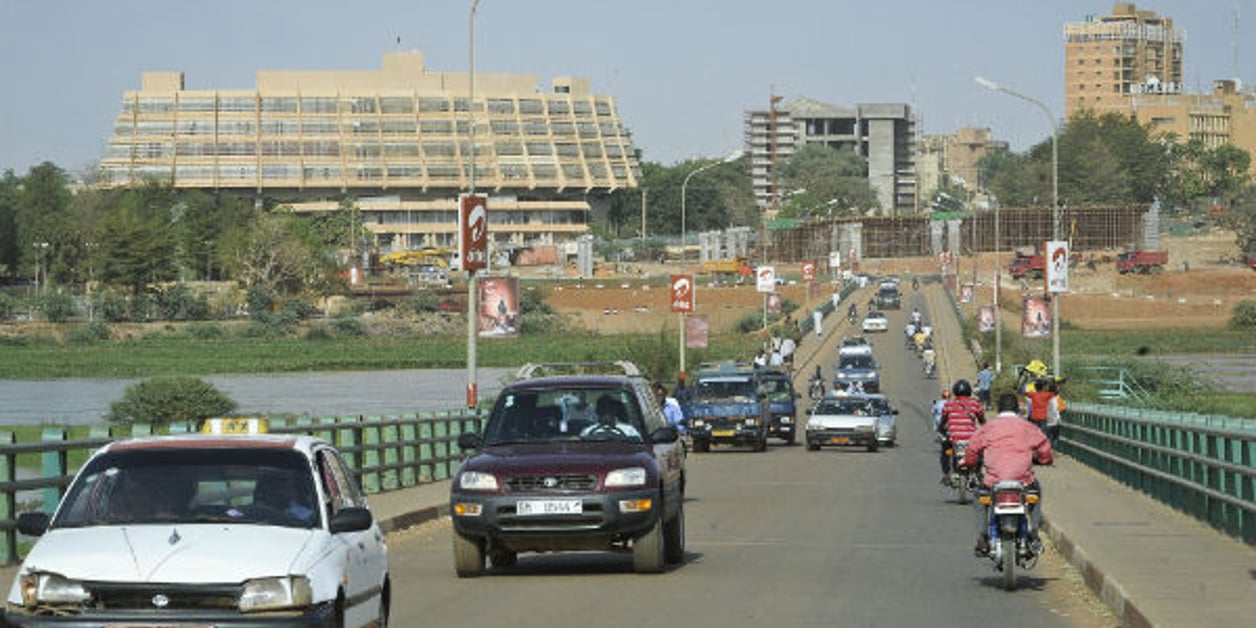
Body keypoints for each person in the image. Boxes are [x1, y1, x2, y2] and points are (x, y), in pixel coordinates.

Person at [960, 392, 1054, 556]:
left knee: (978, 498)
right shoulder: (1028, 427)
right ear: (1017, 409)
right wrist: (1045, 460)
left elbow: (972, 450)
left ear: (998, 409)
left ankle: (982, 536)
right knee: (1035, 494)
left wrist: (969, 463)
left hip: (993, 481)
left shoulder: (988, 428)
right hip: (1023, 480)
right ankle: (1033, 531)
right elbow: (1044, 446)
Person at [937, 379, 985, 486]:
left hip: (954, 438)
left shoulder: (949, 405)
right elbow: (982, 419)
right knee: (980, 453)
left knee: (945, 451)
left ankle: (946, 473)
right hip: (971, 438)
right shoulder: (975, 404)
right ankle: (977, 472)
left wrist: (940, 429)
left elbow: (943, 420)